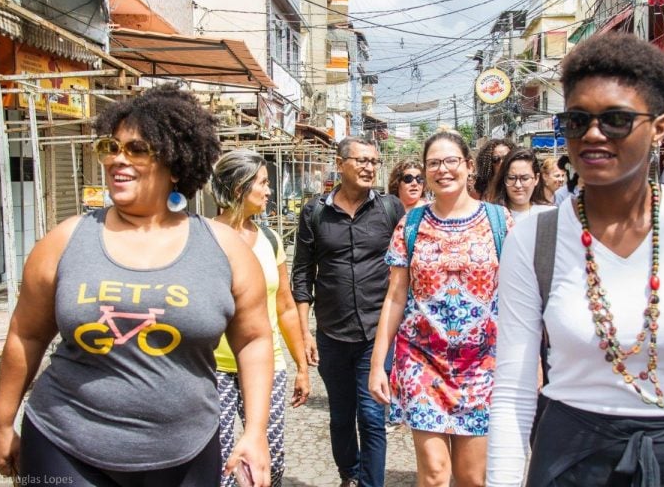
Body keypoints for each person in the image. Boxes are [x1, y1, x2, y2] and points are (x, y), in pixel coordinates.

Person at [487, 33, 664, 486]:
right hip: (569, 462)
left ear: (659, 128)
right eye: (577, 120)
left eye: (616, 119)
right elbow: (513, 390)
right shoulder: (535, 237)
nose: (593, 134)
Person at [0, 85, 274, 486]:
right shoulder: (65, 240)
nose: (117, 159)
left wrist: (255, 431)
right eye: (111, 146)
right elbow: (26, 334)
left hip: (185, 452)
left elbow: (254, 339)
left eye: (137, 150)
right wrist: (1, 422)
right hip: (63, 444)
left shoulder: (223, 248)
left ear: (175, 164)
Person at [369, 131, 513, 486]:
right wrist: (377, 364)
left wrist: (533, 362)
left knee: (471, 477)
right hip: (421, 361)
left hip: (482, 364)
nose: (442, 170)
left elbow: (517, 296)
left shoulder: (499, 221)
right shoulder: (411, 225)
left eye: (451, 161)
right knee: (434, 474)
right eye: (433, 163)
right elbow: (395, 296)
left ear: (467, 166)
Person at [291, 137, 405, 487]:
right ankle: (349, 475)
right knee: (341, 416)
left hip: (376, 333)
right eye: (361, 160)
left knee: (372, 416)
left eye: (374, 160)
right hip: (331, 334)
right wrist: (305, 332)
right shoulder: (315, 212)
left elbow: (404, 271)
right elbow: (302, 273)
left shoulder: (390, 209)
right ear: (340, 164)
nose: (370, 167)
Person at [210, 150, 310, 487]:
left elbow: (284, 306)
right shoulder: (203, 239)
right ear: (239, 187)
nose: (269, 192)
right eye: (263, 183)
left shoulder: (270, 239)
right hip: (213, 368)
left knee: (270, 459)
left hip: (268, 365)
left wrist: (302, 366)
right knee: (220, 462)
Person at [486, 148, 554, 222]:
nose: (518, 185)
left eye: (525, 178)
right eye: (511, 178)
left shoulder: (550, 215)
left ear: (536, 178)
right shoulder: (490, 217)